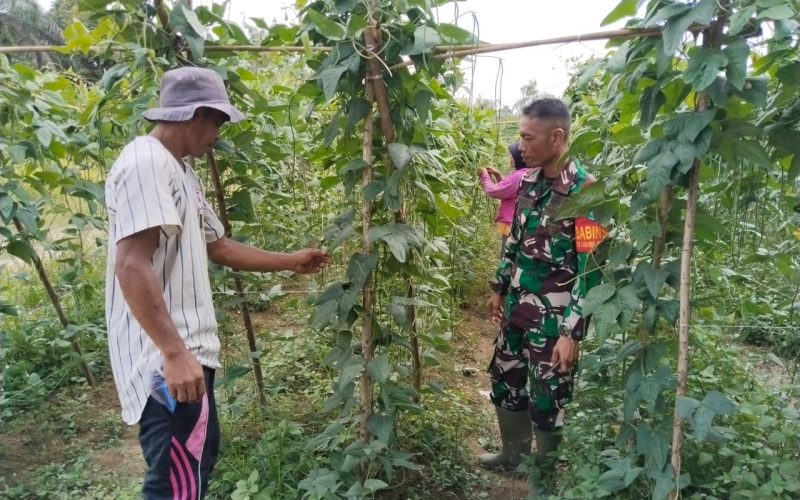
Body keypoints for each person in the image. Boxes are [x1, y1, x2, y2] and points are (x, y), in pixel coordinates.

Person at [104, 66, 332, 500]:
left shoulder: (178, 172)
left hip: (183, 354)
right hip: (165, 362)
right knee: (176, 484)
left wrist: (291, 261)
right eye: (219, 122)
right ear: (196, 114)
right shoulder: (147, 164)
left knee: (193, 467)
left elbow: (218, 246)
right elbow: (131, 265)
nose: (219, 135)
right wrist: (174, 353)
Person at [480, 98, 606, 497]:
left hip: (554, 322)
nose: (522, 145)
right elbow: (514, 242)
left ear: (557, 137)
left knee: (547, 398)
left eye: (527, 138)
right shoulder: (529, 181)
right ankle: (512, 455)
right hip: (517, 310)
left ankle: (543, 480)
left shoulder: (587, 193)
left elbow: (591, 269)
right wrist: (499, 288)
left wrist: (572, 332)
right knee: (506, 379)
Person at [477, 142, 531, 257]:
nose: (510, 158)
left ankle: (506, 275)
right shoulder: (526, 173)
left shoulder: (518, 176)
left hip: (513, 225)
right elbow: (511, 190)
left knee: (508, 257)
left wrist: (484, 174)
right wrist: (498, 175)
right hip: (521, 223)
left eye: (512, 155)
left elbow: (492, 190)